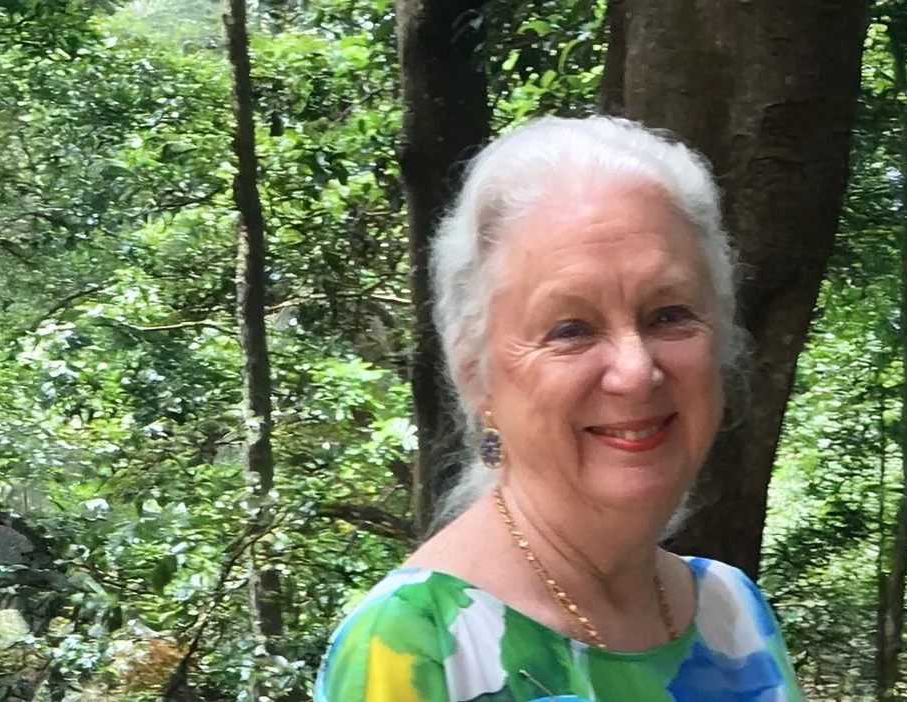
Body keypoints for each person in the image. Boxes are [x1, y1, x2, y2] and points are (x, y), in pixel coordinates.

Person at [311, 116, 802, 702]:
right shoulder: (411, 648)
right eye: (571, 328)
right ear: (476, 374)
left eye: (668, 314)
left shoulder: (732, 612)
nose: (636, 370)